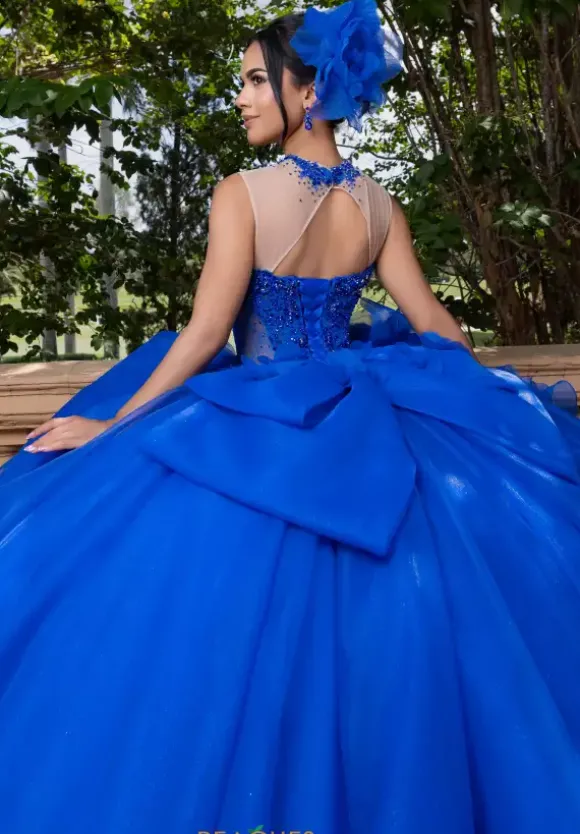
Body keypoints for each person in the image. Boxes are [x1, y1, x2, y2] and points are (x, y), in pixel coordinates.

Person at [1, 1, 580, 832]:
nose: (238, 97)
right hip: (356, 424)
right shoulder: (378, 204)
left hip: (258, 427)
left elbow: (206, 335)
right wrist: (490, 400)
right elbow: (437, 327)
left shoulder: (241, 195)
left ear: (307, 93)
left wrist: (114, 429)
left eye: (252, 81)